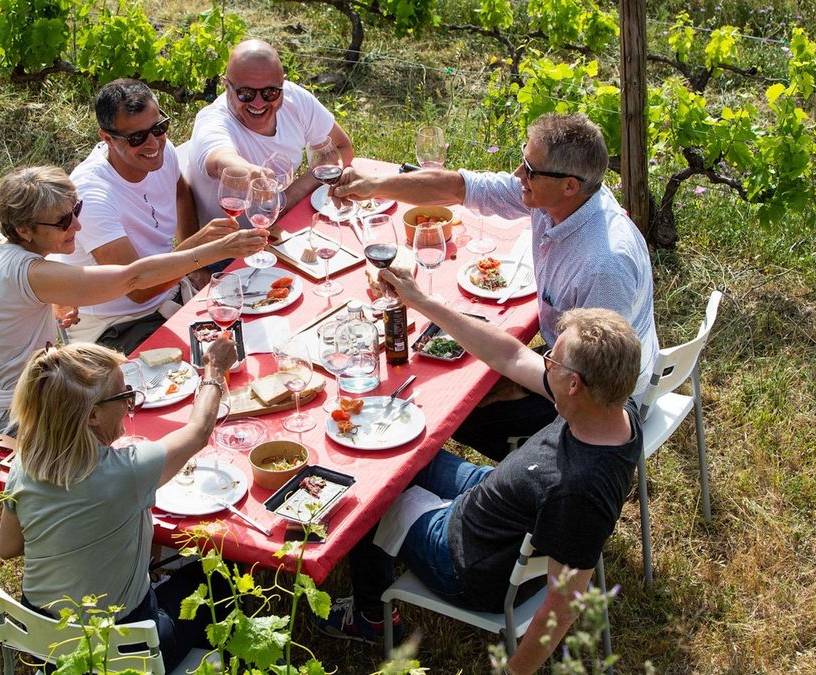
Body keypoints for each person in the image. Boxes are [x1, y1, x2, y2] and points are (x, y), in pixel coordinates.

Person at [320, 269, 642, 675]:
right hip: (498, 504)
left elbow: (563, 609)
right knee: (401, 449)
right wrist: (421, 301)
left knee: (372, 488)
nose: (544, 363)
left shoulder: (578, 492)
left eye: (553, 359)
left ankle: (369, 618)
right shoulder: (613, 408)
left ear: (575, 384)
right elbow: (509, 355)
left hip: (465, 562)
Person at [332, 112, 658, 461]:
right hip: (563, 360)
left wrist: (513, 386)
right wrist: (373, 186)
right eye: (522, 160)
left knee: (453, 412)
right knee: (459, 383)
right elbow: (459, 187)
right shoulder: (559, 198)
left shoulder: (602, 265)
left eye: (530, 170)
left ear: (569, 185)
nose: (519, 175)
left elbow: (594, 384)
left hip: (601, 401)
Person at [0, 166, 265, 473]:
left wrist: (52, 298)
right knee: (127, 443)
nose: (78, 226)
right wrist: (218, 248)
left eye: (76, 210)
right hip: (7, 423)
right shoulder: (30, 273)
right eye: (62, 221)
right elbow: (133, 278)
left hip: (27, 394)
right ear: (24, 230)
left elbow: (8, 297)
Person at [0, 338, 235, 671]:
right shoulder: (127, 472)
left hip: (47, 643)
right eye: (124, 396)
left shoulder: (25, 463)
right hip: (124, 651)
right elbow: (198, 430)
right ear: (92, 415)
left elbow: (7, 546)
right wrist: (215, 370)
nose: (129, 405)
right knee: (222, 579)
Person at [51, 78, 242, 354]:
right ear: (107, 139)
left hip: (171, 293)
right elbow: (135, 287)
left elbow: (180, 191)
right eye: (137, 138)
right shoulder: (91, 194)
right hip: (118, 325)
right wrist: (197, 250)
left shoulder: (159, 154)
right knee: (212, 364)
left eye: (158, 128)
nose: (153, 143)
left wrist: (194, 262)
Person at [186, 39, 354, 226]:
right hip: (228, 245)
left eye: (270, 92)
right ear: (226, 85)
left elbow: (341, 147)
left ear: (282, 83)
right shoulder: (213, 121)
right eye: (246, 93)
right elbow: (220, 161)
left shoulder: (295, 99)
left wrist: (290, 196)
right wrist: (251, 173)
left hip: (280, 229)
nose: (258, 103)